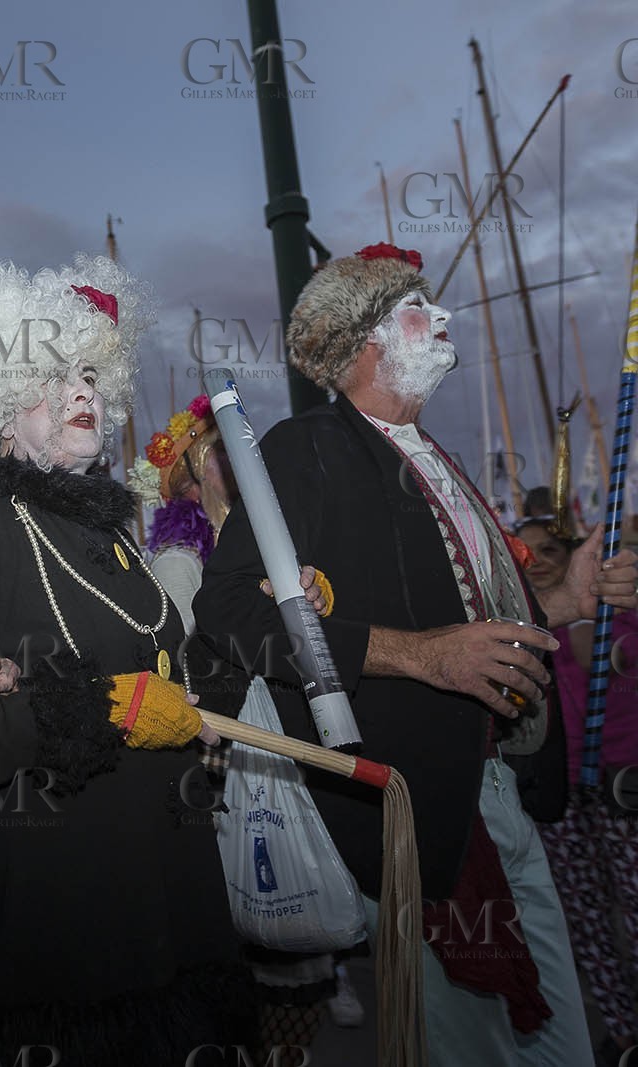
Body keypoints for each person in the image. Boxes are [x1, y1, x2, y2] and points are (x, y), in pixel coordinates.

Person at [196, 242, 638, 1065]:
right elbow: (226, 613)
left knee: (561, 1042)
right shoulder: (306, 449)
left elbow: (472, 620)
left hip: (506, 789)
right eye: (415, 309)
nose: (440, 320)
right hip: (416, 808)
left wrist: (570, 601)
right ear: (367, 341)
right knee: (472, 1046)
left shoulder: (442, 462)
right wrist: (419, 657)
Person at [0, 256, 257, 1064]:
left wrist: (268, 614)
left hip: (170, 886)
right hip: (62, 909)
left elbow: (168, 670)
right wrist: (97, 708)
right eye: (55, 374)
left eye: (90, 372)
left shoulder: (112, 537)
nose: (84, 391)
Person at [130, 398, 349, 1056]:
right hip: (221, 764)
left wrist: (311, 593)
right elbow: (162, 660)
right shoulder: (180, 558)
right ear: (192, 478)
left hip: (282, 744)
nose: (239, 462)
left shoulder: (267, 545)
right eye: (219, 452)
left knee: (284, 926)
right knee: (242, 927)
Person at [517, 515, 638, 1055]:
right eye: (528, 551)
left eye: (551, 549)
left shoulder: (619, 616)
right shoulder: (517, 621)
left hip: (623, 781)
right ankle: (621, 1028)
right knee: (584, 918)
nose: (539, 559)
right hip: (560, 792)